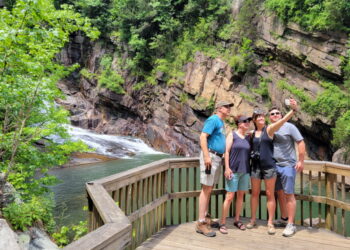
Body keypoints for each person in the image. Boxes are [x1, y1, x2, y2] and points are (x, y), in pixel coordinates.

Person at [247, 100, 298, 235]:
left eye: (263, 116)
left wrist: (292, 111)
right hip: (256, 167)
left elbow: (281, 122)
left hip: (269, 166)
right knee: (255, 194)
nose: (261, 118)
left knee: (270, 194)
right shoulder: (251, 133)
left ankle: (270, 222)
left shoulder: (269, 129)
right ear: (254, 120)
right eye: (258, 117)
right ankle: (252, 219)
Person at [195, 100, 233, 237]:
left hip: (217, 157)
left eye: (229, 107)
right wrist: (206, 156)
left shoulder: (221, 122)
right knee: (206, 189)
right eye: (227, 107)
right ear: (219, 108)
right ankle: (201, 223)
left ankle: (205, 218)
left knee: (209, 188)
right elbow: (203, 137)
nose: (229, 109)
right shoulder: (213, 119)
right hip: (210, 156)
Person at [269, 101, 305, 237]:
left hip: (288, 165)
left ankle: (291, 224)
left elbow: (300, 142)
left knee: (289, 194)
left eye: (277, 113)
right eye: (272, 114)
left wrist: (301, 160)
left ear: (281, 115)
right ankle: (284, 218)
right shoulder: (270, 128)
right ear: (270, 117)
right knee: (279, 193)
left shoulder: (289, 127)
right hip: (274, 166)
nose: (275, 115)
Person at [218, 115, 252, 234]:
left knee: (241, 196)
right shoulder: (232, 134)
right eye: (245, 121)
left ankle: (237, 220)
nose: (248, 123)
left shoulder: (248, 137)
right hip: (233, 170)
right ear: (239, 123)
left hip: (245, 171)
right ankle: (222, 222)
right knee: (229, 196)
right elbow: (226, 152)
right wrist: (227, 168)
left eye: (249, 121)